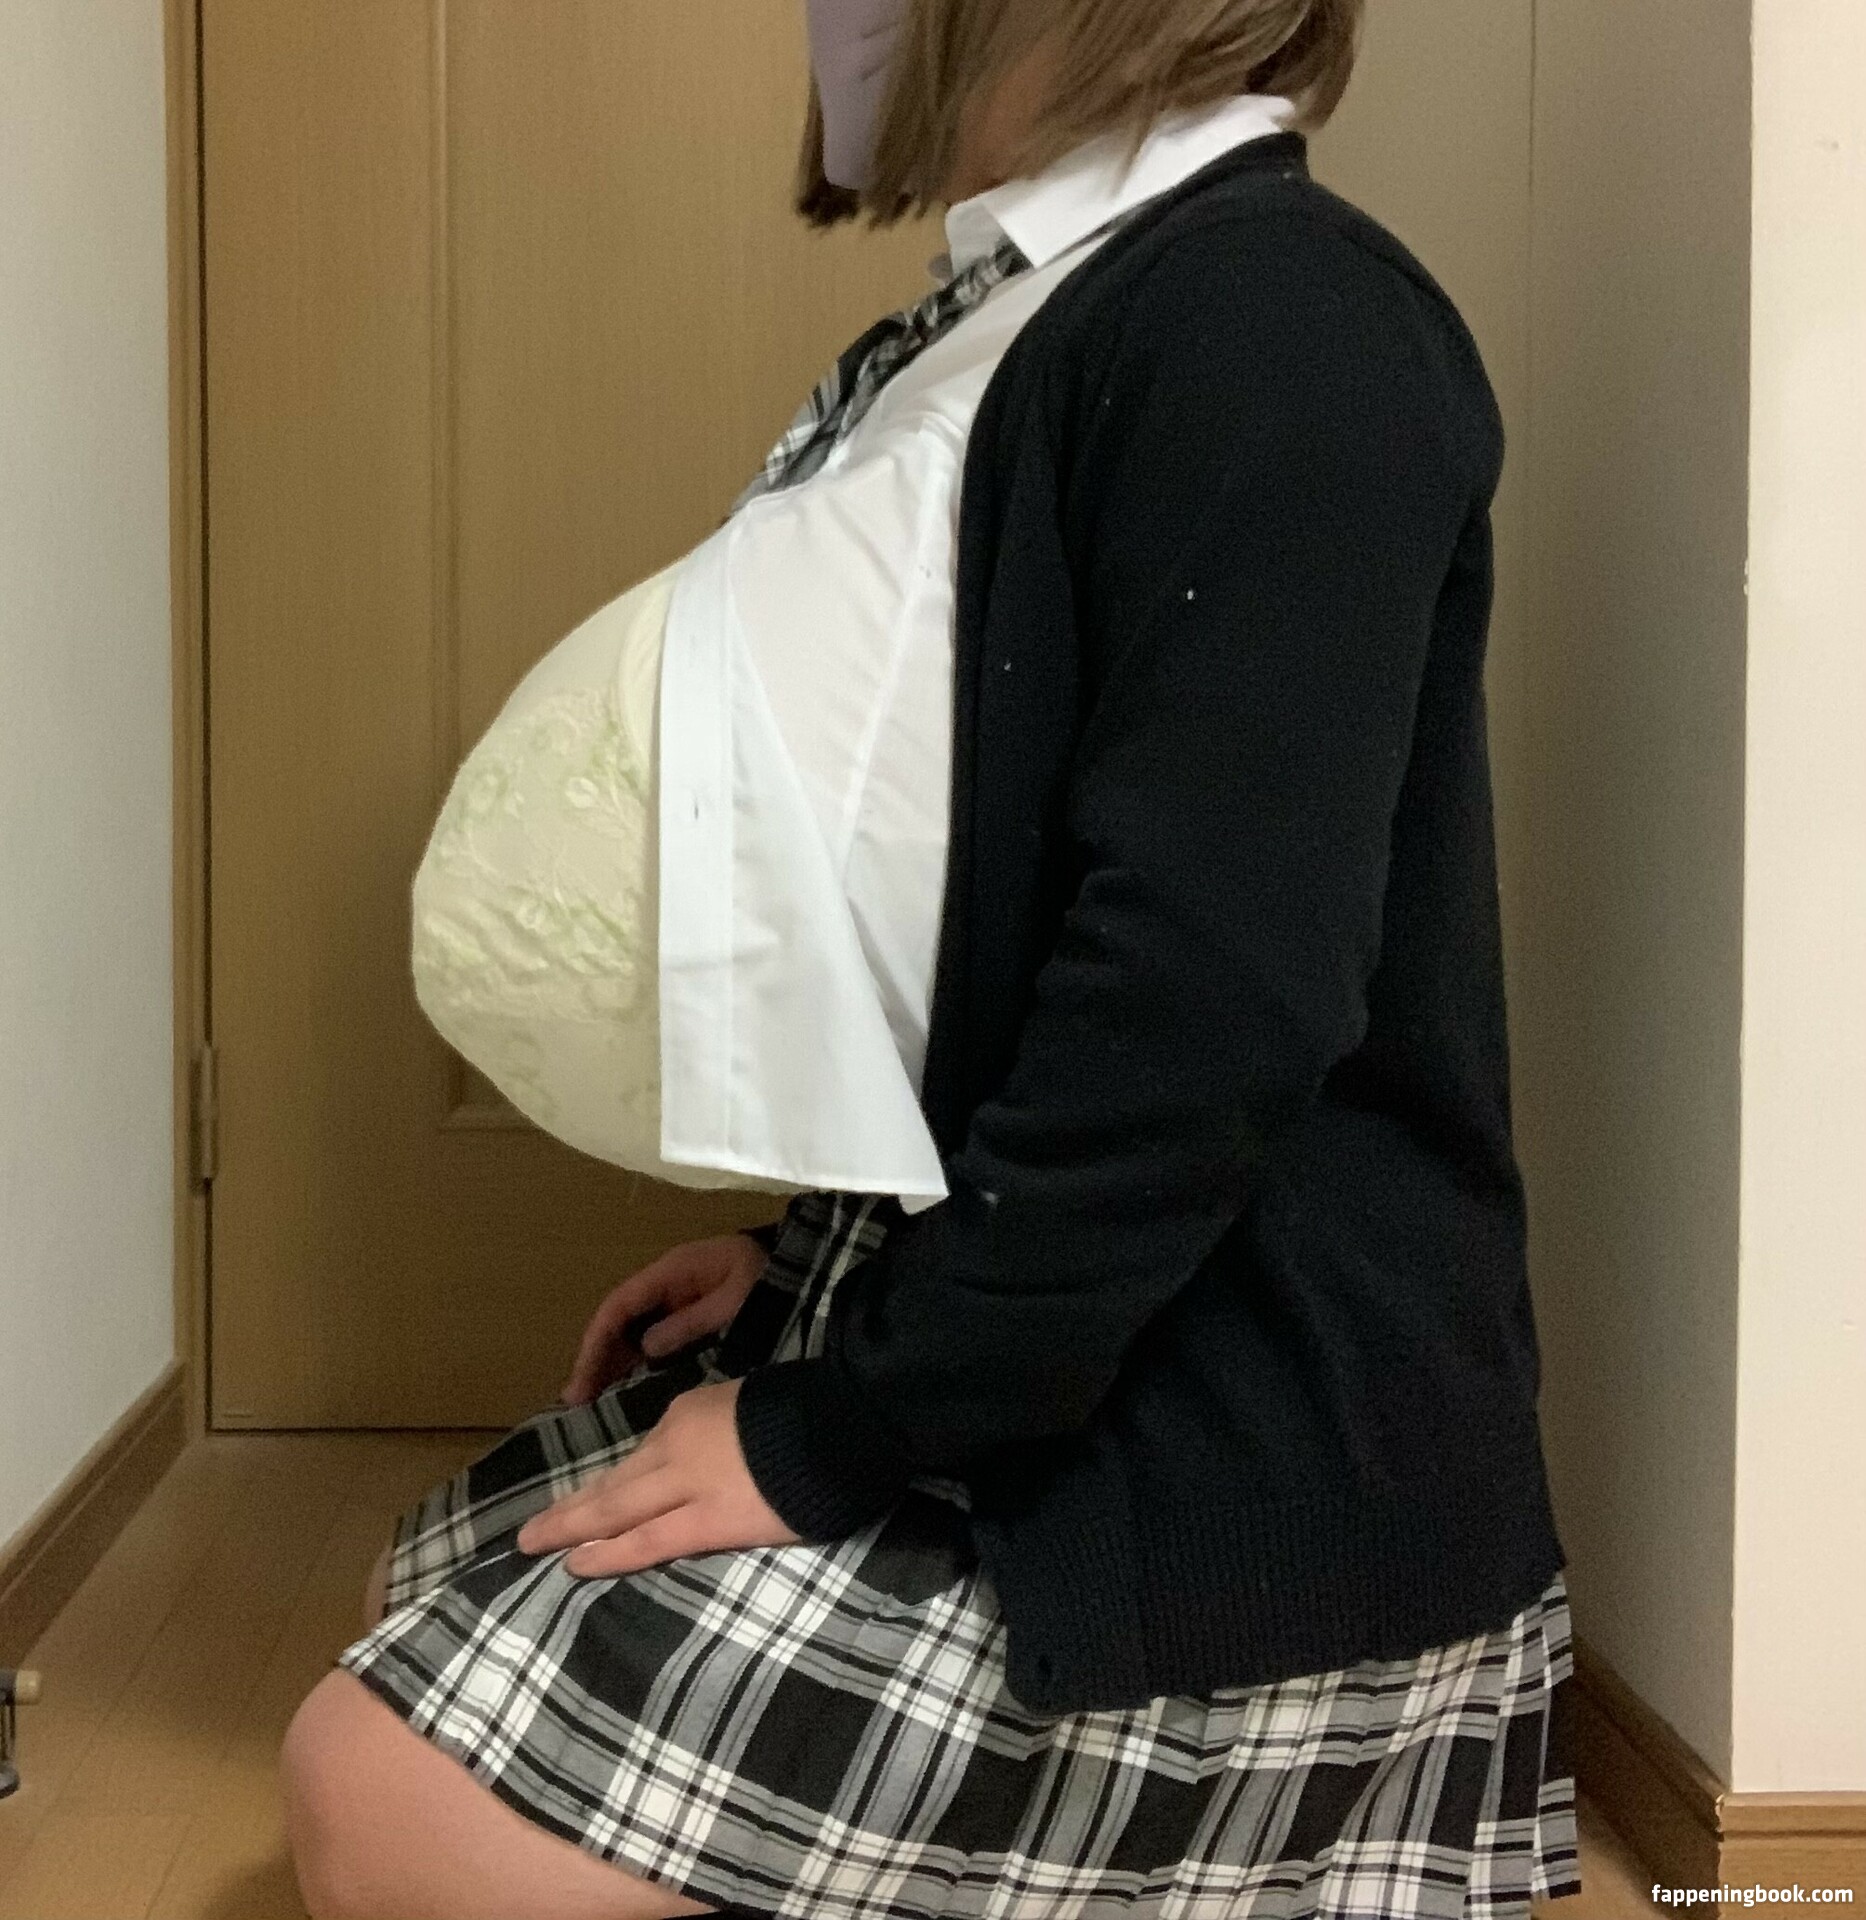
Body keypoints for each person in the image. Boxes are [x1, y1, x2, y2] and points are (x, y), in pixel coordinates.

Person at [282, 2, 1578, 1916]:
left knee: (386, 1798)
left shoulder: (1280, 323)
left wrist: (849, 1424)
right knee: (433, 1600)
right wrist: (821, 1258)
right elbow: (956, 897)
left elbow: (1207, 997)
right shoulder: (1018, 312)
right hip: (1045, 1318)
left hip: (1230, 1440)